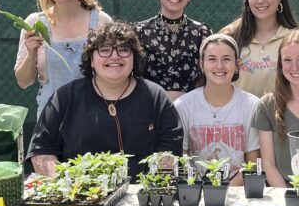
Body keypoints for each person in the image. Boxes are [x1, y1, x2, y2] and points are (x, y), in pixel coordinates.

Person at [27, 21, 183, 179]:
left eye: (123, 50)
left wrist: (151, 187)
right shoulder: (65, 98)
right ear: (91, 59)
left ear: (134, 58)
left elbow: (170, 148)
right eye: (105, 50)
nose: (114, 56)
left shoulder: (156, 97)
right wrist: (68, 186)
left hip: (141, 193)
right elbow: (42, 150)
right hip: (81, 194)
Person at [14, 0, 112, 115]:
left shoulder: (101, 21)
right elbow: (23, 81)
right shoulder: (34, 23)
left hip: (95, 116)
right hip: (51, 118)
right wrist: (31, 54)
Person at [174, 34, 260, 186]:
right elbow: (183, 160)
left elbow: (252, 164)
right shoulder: (183, 106)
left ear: (237, 64)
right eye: (212, 59)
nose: (219, 66)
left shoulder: (252, 105)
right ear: (201, 64)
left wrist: (224, 191)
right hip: (196, 191)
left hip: (238, 191)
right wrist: (202, 191)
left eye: (226, 59)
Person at [251, 29, 299, 187]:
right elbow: (268, 164)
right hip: (284, 197)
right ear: (281, 65)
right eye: (287, 60)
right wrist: (289, 198)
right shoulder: (267, 106)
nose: (295, 67)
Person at [135, 0, 212, 101]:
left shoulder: (202, 33)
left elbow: (208, 77)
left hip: (193, 111)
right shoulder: (139, 32)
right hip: (150, 110)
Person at [220, 0, 299, 98]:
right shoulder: (229, 36)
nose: (260, 0)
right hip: (236, 118)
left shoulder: (294, 39)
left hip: (278, 117)